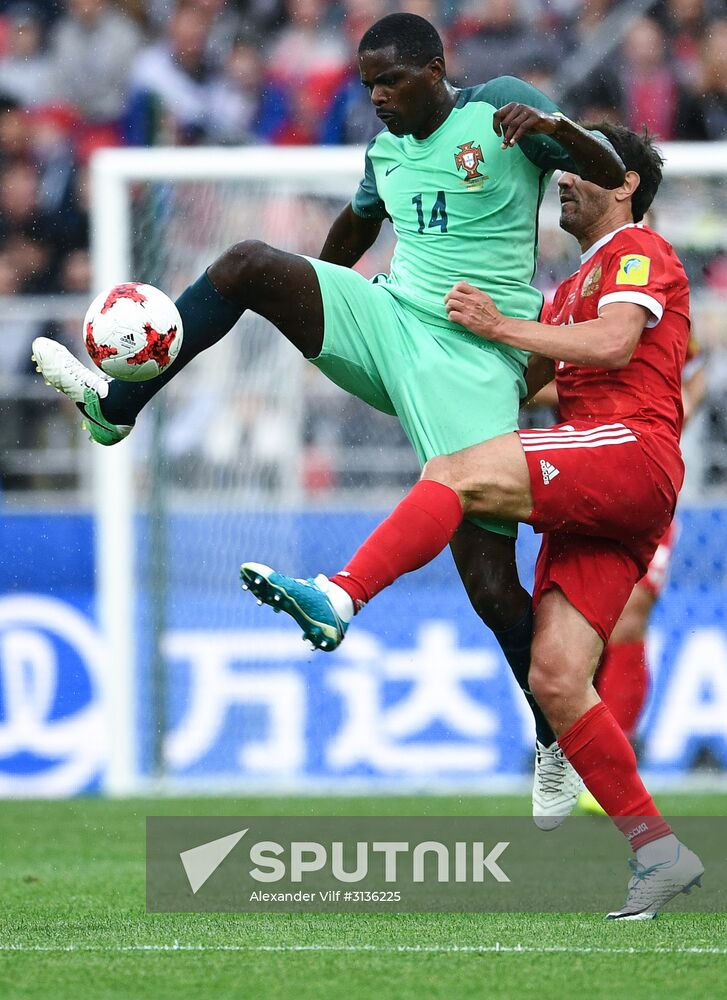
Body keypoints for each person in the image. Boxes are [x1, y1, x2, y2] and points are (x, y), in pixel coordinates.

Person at [32, 14, 624, 823]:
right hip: (390, 320)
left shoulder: (501, 109)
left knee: (488, 586)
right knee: (249, 265)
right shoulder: (383, 149)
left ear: (435, 69)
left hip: (474, 354)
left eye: (391, 81)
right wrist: (306, 302)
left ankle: (554, 737)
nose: (377, 97)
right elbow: (354, 229)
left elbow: (610, 170)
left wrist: (556, 129)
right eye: (367, 83)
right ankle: (115, 406)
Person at [238, 122, 704, 919]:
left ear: (624, 184)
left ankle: (341, 595)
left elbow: (616, 342)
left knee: (454, 473)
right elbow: (522, 384)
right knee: (555, 678)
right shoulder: (561, 290)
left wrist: (499, 327)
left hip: (629, 452)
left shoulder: (639, 253)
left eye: (578, 169)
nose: (560, 180)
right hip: (600, 483)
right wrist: (412, 365)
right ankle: (657, 851)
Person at [578, 335, 705, 814]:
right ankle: (577, 749)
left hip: (647, 483)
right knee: (580, 624)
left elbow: (697, 377)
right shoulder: (574, 311)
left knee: (630, 616)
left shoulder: (657, 314)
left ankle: (614, 763)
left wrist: (680, 403)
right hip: (584, 477)